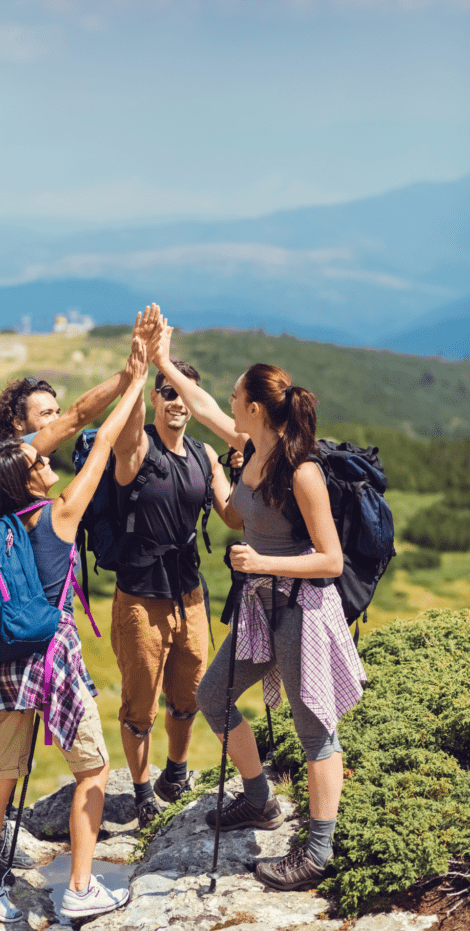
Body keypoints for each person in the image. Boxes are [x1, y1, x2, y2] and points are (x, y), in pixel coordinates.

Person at [0, 308, 160, 874]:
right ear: (18, 427)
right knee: (2, 744)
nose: (57, 422)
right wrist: (134, 371)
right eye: (45, 416)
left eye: (56, 413)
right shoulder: (12, 468)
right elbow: (92, 420)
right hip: (13, 620)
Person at [161, 351, 367, 892]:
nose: (227, 401)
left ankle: (317, 853)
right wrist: (160, 357)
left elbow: (331, 560)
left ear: (254, 407)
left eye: (235, 396)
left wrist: (261, 562)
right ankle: (259, 803)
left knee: (315, 730)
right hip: (261, 608)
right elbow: (236, 509)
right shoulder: (249, 449)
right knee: (213, 697)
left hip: (303, 609)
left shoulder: (302, 471)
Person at [110, 331, 247, 828]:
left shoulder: (205, 456)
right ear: (155, 398)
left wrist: (245, 469)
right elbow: (123, 431)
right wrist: (143, 365)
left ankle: (176, 772)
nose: (178, 403)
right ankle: (143, 790)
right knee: (140, 704)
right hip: (140, 597)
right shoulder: (138, 447)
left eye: (185, 394)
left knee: (188, 695)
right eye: (169, 393)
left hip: (189, 593)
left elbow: (233, 516)